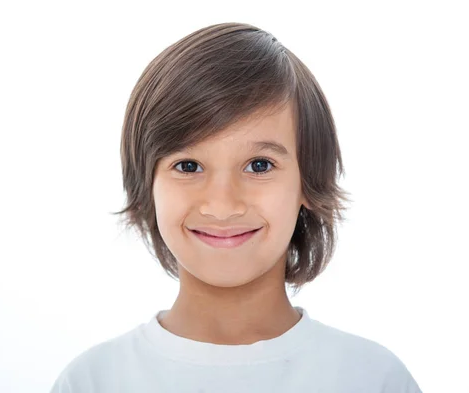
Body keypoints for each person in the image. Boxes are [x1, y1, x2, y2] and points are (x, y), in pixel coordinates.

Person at [49, 22, 422, 392]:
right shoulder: (93, 381)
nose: (222, 206)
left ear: (308, 180)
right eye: (188, 166)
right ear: (146, 185)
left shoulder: (372, 379)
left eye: (259, 165)